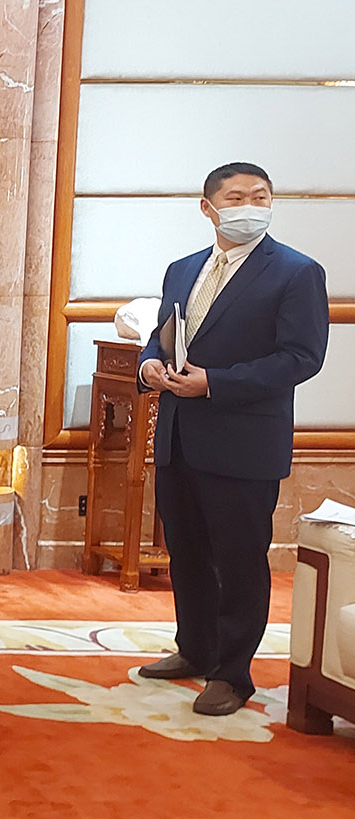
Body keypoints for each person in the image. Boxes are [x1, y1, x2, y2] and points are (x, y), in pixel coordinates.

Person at [135, 162, 328, 716]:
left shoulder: (295, 272)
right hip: (178, 435)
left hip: (244, 444)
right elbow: (163, 336)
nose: (250, 206)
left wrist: (214, 384)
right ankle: (193, 649)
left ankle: (232, 673)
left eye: (260, 196)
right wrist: (150, 367)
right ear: (208, 208)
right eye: (236, 197)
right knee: (187, 553)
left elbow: (301, 358)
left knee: (240, 559)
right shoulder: (182, 268)